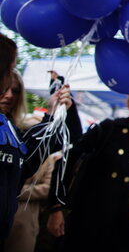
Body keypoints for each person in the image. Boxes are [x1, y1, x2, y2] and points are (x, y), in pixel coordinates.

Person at [46, 87, 129, 252]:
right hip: (88, 213)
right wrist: (56, 207)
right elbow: (67, 160)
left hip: (123, 220)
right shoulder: (108, 128)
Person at [1, 34, 76, 244]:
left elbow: (24, 163)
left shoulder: (7, 127)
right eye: (9, 68)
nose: (10, 76)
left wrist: (52, 115)